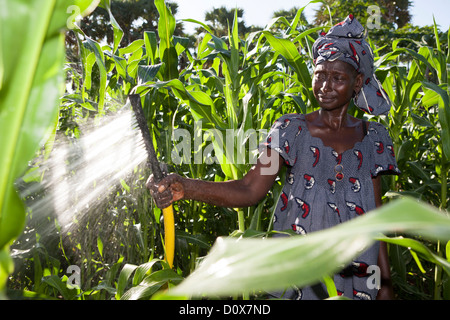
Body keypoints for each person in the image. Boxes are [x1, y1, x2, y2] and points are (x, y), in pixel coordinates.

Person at [147, 15, 400, 300]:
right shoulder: (289, 130)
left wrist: (386, 287)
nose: (325, 86)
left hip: (356, 278)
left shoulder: (374, 138)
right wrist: (187, 187)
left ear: (358, 83)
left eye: (338, 78)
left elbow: (376, 218)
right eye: (320, 75)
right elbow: (250, 188)